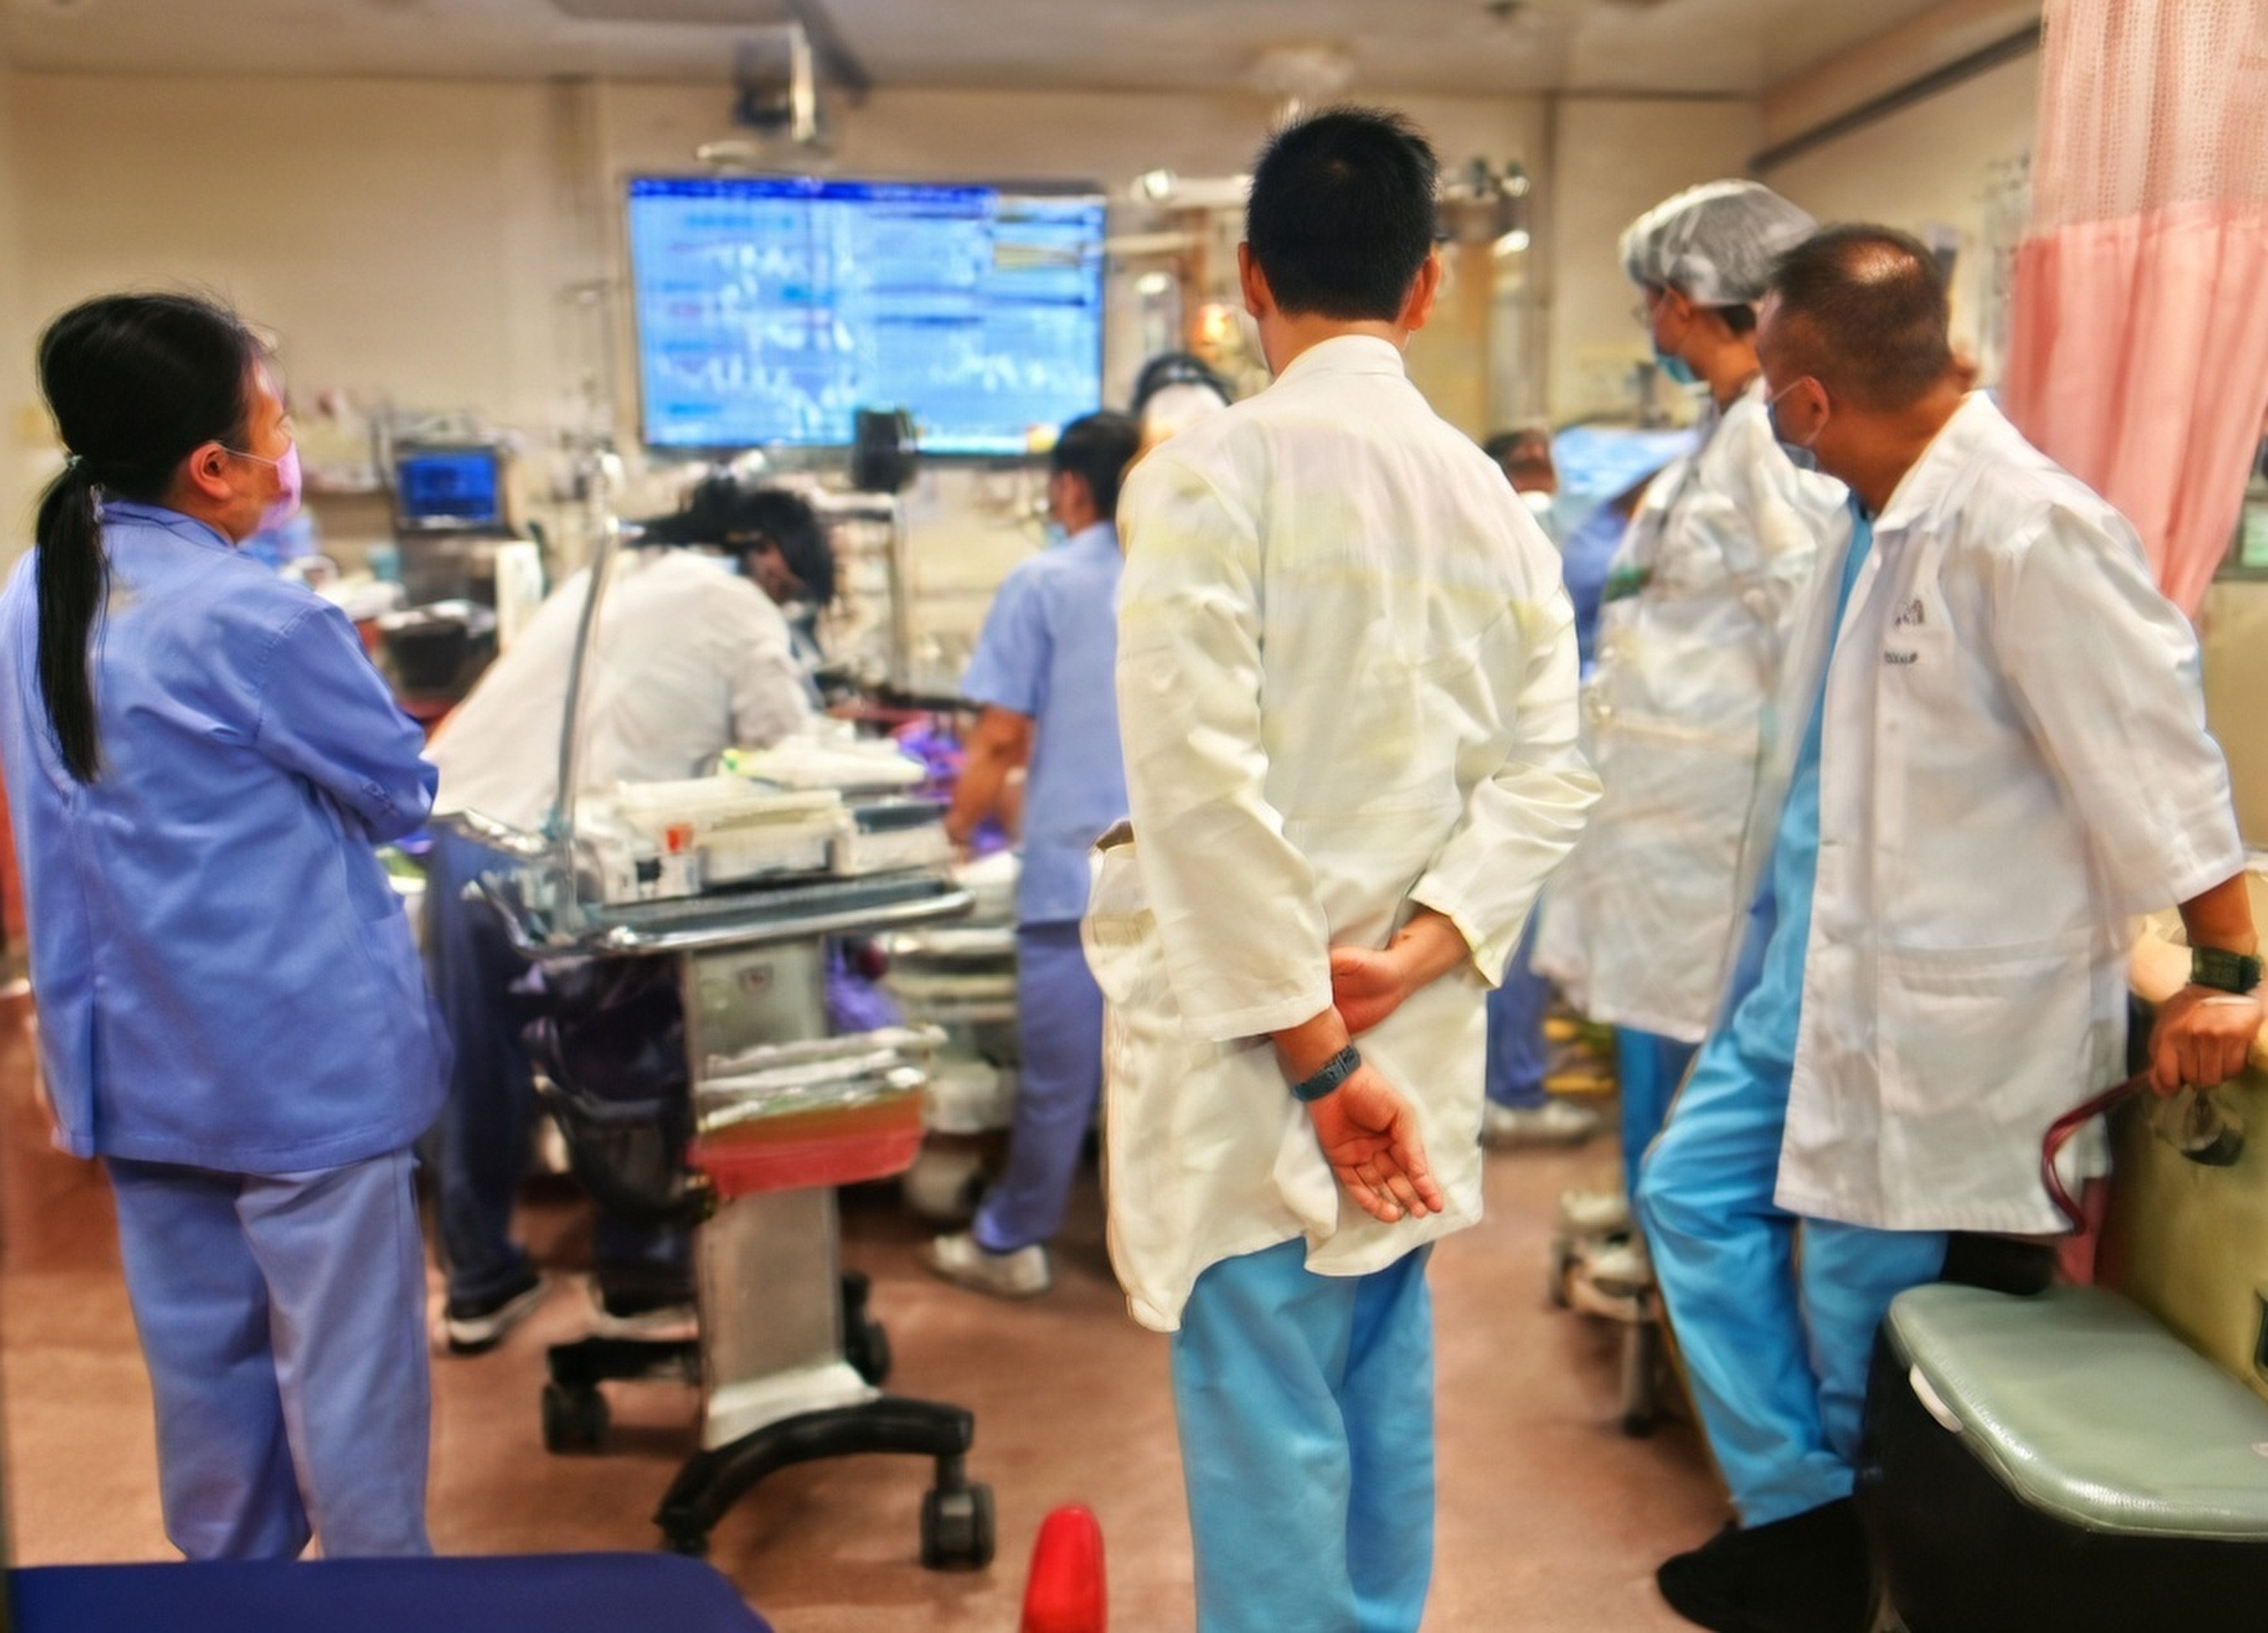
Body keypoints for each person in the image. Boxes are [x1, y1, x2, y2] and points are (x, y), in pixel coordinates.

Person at [1641, 226, 2260, 1633]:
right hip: (1811, 982)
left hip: (1941, 1023)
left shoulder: (2025, 523)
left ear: (1805, 402)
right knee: (1689, 1192)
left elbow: (2153, 759)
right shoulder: (1872, 515)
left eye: (1770, 391)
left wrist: (2220, 972)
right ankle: (1802, 1519)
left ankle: (1863, 1570)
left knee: (1866, 1322)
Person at [1085, 108, 1598, 1631]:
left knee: (1268, 1444)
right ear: (1426, 285)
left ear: (1250, 278)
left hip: (1278, 1072)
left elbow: (1201, 799)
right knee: (1378, 1422)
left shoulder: (1204, 480)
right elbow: (1547, 770)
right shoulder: (1498, 514)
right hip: (1411, 1049)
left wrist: (1316, 1055)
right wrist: (1430, 947)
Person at [0, 293, 446, 1558]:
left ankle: (231, 1599)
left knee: (206, 1383)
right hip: (298, 1064)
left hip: (138, 1058)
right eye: (271, 419)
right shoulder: (258, 616)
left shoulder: (38, 586)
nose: (283, 443)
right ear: (210, 465)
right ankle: (378, 1604)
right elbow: (399, 792)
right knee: (348, 1387)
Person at [422, 477, 824, 1352]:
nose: (786, 604)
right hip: (568, 855)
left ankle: (479, 1283)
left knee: (473, 1066)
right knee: (626, 1051)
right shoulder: (738, 602)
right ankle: (638, 1280)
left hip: (461, 828)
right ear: (765, 555)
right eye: (793, 588)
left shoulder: (601, 577)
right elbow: (791, 760)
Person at [1533, 182, 1842, 1238]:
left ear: (1685, 300)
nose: (1648, 323)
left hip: (1717, 850)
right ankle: (1657, 1263)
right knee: (1663, 1079)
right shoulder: (1723, 440)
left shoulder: (1770, 442)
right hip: (1671, 845)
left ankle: (1675, 1296)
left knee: (1697, 1115)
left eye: (1651, 300)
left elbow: (1807, 634)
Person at [921, 411, 1143, 1297]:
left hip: (1074, 879)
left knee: (1060, 1083)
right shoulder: (1190, 579)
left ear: (1070, 488)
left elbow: (1001, 738)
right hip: (1180, 873)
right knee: (1161, 1082)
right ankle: (1162, 1253)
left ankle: (1012, 1239)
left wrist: (944, 837)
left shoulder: (1043, 580)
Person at [1473, 425, 1601, 1148]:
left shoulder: (1498, 531)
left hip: (1504, 761)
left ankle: (1506, 1084)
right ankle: (1512, 1091)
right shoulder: (1535, 525)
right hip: (1519, 766)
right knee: (1513, 932)